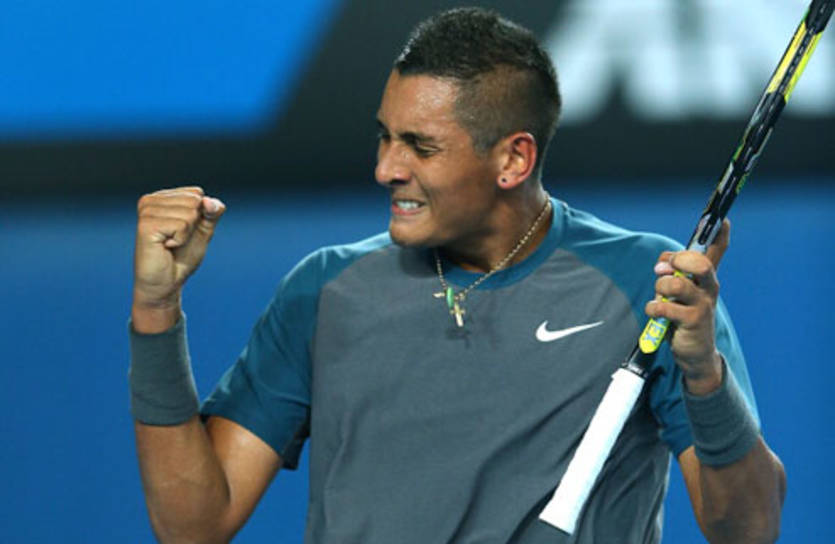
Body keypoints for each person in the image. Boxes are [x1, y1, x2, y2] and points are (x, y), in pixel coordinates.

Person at [129, 7, 785, 544]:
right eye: (385, 137)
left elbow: (748, 529)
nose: (386, 168)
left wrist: (704, 377)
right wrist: (156, 310)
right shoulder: (323, 291)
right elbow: (192, 526)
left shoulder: (648, 288)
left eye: (420, 146)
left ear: (513, 160)